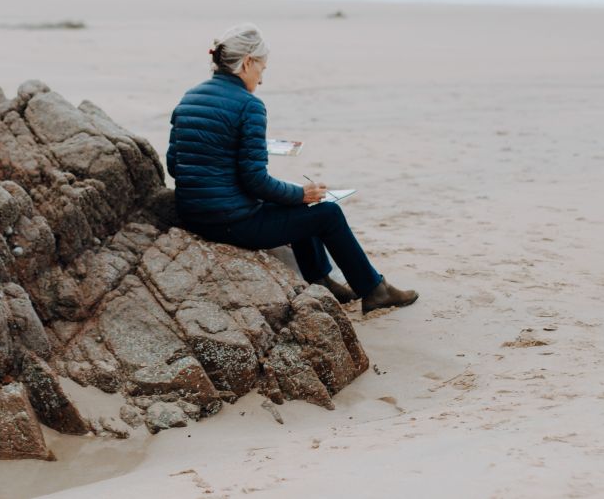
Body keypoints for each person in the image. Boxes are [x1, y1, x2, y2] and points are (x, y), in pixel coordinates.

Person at [166, 22, 418, 315]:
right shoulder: (250, 106)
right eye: (262, 69)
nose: (261, 80)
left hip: (193, 215)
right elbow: (255, 181)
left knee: (300, 207)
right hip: (230, 222)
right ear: (247, 62)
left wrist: (292, 196)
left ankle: (321, 279)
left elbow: (175, 165)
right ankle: (375, 290)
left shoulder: (189, 98)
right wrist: (300, 194)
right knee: (327, 213)